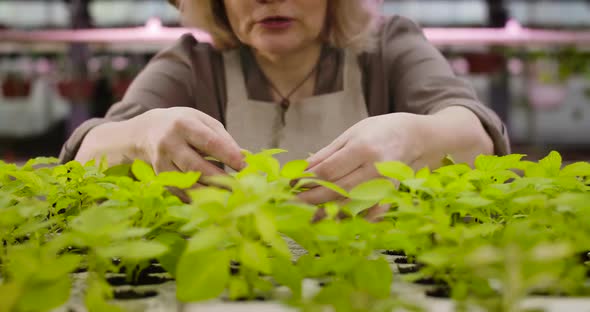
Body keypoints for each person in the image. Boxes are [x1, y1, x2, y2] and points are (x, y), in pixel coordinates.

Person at [60, 0, 510, 205]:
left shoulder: (388, 47)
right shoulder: (193, 65)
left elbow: (477, 134)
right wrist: (141, 136)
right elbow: (85, 152)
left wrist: (415, 137)